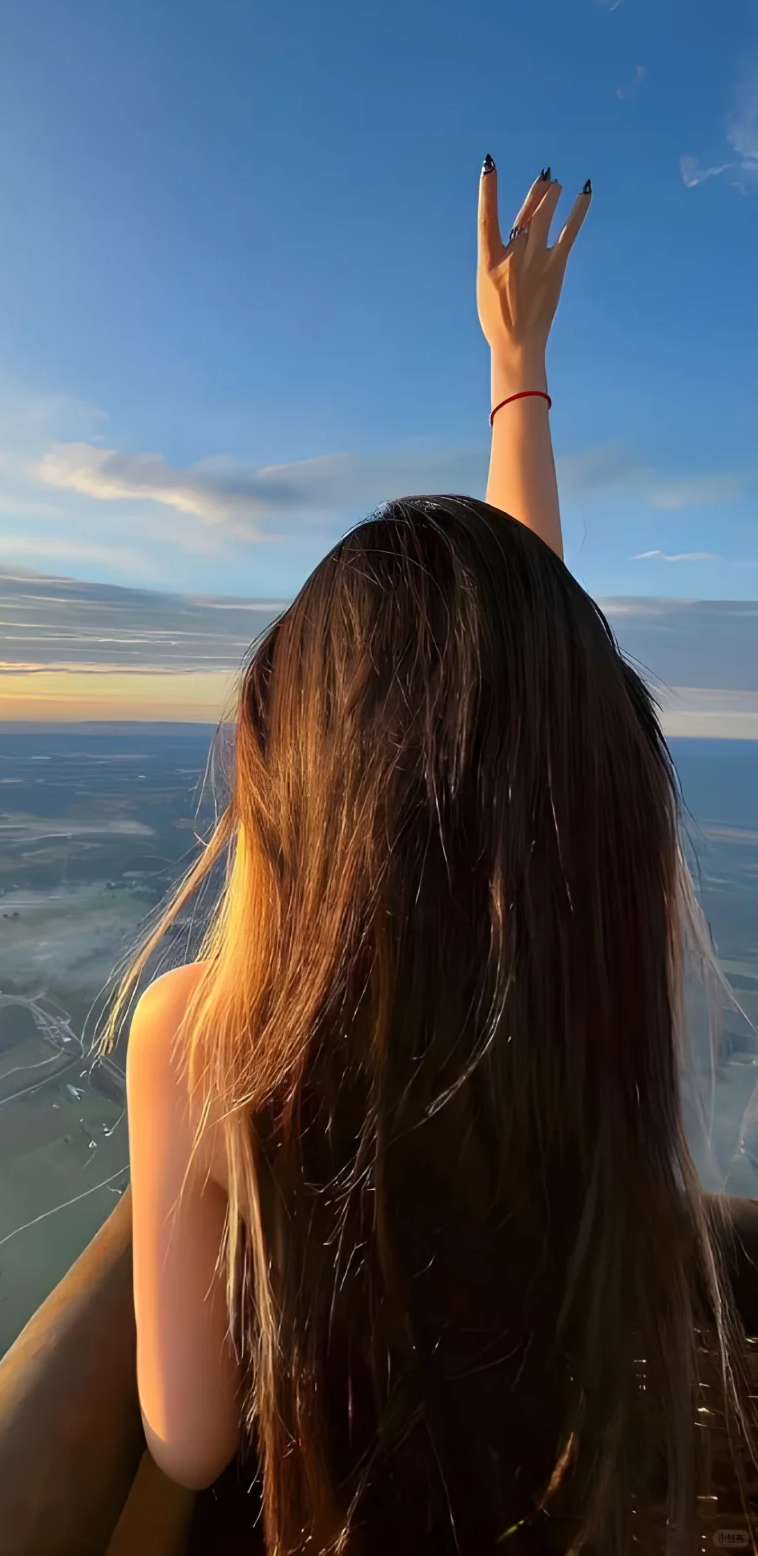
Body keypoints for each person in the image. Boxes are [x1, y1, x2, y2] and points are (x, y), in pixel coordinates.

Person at [100, 160, 758, 1556]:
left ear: (287, 790)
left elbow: (189, 1436)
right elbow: (510, 745)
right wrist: (519, 377)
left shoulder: (201, 1037)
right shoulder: (575, 993)